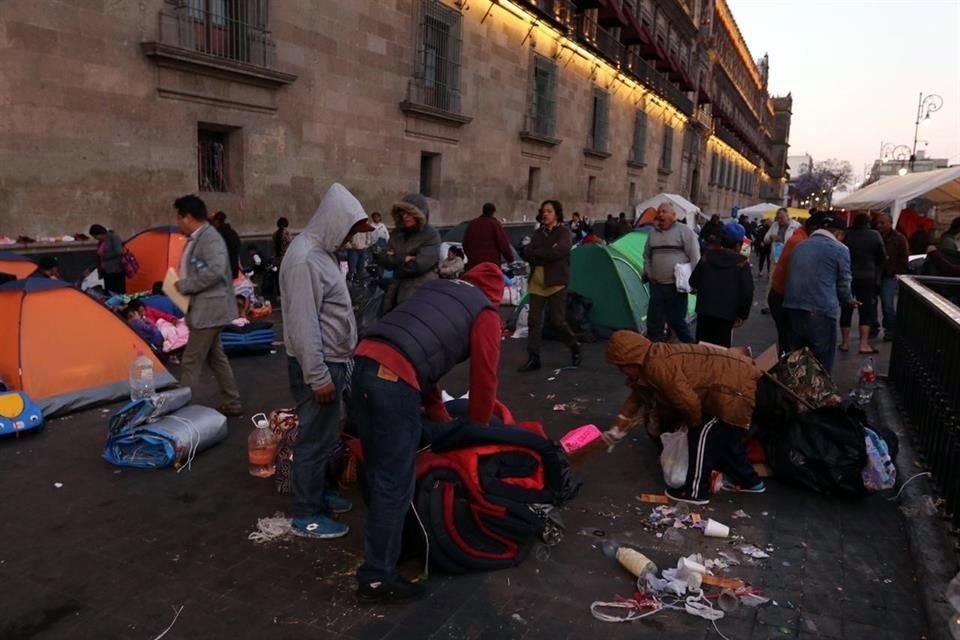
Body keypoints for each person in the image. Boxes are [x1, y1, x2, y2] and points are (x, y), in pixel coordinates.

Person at [351, 262, 506, 603]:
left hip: (362, 362)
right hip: (394, 378)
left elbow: (424, 360)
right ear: (495, 295)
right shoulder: (485, 313)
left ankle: (394, 546)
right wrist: (476, 432)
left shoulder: (438, 289)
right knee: (395, 482)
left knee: (378, 470)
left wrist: (439, 415)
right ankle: (377, 577)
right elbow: (484, 380)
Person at [280, 183, 373, 540]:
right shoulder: (304, 259)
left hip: (332, 359)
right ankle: (307, 514)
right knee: (314, 439)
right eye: (350, 230)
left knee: (324, 436)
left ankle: (319, 495)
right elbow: (304, 324)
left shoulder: (323, 253)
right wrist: (318, 376)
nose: (351, 238)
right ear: (335, 222)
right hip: (319, 364)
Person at [602, 331, 765, 505]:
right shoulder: (650, 360)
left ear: (632, 360)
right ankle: (751, 482)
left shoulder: (658, 366)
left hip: (732, 390)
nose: (621, 372)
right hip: (734, 382)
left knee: (702, 435)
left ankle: (695, 492)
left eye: (621, 366)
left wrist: (692, 424)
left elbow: (687, 401)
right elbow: (637, 396)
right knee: (727, 439)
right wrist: (618, 426)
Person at [173, 195, 243, 416]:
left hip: (209, 308)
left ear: (187, 217)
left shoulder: (209, 238)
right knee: (215, 356)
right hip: (204, 307)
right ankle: (232, 401)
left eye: (179, 217)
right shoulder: (198, 237)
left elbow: (214, 270)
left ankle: (181, 408)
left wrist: (186, 285)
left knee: (191, 359)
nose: (177, 222)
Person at [783, 214, 855, 373]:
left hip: (792, 307)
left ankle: (795, 393)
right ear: (839, 234)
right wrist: (849, 300)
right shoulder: (840, 249)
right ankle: (818, 395)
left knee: (796, 359)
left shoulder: (800, 246)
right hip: (820, 309)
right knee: (821, 361)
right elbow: (844, 282)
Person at [519, 199, 580, 372]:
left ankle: (574, 345)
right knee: (534, 321)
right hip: (537, 282)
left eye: (549, 211)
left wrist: (540, 254)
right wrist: (542, 254)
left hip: (555, 282)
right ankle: (533, 357)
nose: (545, 214)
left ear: (557, 214)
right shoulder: (539, 234)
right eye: (543, 211)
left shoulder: (564, 232)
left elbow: (559, 251)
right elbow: (528, 252)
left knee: (557, 321)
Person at [643, 202, 700, 343]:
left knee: (677, 322)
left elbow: (695, 257)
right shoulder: (652, 234)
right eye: (659, 211)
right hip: (657, 286)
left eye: (664, 212)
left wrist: (696, 282)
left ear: (673, 216)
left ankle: (690, 349)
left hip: (676, 287)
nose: (660, 214)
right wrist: (649, 273)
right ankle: (655, 351)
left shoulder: (685, 231)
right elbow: (646, 256)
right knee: (654, 321)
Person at [690, 223, 753, 348]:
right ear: (738, 245)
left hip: (705, 311)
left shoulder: (707, 256)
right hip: (727, 315)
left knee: (701, 349)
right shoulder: (742, 263)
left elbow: (693, 281)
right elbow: (747, 292)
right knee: (721, 351)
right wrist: (742, 314)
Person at [375, 193, 441, 313]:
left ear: (419, 214)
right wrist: (404, 258)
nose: (405, 216)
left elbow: (418, 265)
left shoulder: (431, 235)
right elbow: (382, 257)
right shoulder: (397, 233)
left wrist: (393, 264)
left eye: (409, 213)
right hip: (391, 295)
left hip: (418, 295)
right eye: (402, 212)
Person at [768, 214, 819, 355]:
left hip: (781, 294)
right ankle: (786, 371)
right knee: (790, 340)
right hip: (784, 296)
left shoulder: (799, 238)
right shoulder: (800, 242)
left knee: (787, 338)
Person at [839, 214, 885, 354]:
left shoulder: (847, 235)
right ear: (868, 223)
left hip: (849, 275)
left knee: (846, 308)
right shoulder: (875, 235)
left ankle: (845, 343)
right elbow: (882, 256)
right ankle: (864, 344)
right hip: (867, 277)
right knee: (866, 310)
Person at [875, 213, 909, 342]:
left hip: (889, 275)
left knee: (887, 304)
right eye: (878, 222)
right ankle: (874, 327)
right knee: (872, 303)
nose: (880, 225)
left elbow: (903, 258)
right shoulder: (875, 236)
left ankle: (890, 329)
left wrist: (896, 271)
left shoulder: (899, 238)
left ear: (890, 223)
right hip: (876, 274)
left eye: (883, 223)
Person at [462, 202, 513, 269]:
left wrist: (470, 256)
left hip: (474, 263)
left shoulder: (473, 224)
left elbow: (465, 243)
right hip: (491, 263)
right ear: (493, 212)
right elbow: (503, 243)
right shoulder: (495, 224)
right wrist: (510, 259)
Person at [89, 224, 125, 294]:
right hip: (106, 270)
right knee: (109, 290)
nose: (95, 238)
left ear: (100, 234)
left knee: (116, 290)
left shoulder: (113, 237)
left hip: (115, 270)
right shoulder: (102, 241)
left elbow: (119, 251)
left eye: (95, 236)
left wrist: (104, 256)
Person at [212, 211, 242, 280]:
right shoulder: (232, 232)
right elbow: (238, 246)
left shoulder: (218, 234)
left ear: (216, 221)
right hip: (233, 267)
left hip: (222, 268)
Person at [346, 216, 372, 281]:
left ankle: (359, 279)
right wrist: (350, 246)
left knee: (361, 266)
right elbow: (346, 237)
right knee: (352, 267)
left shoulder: (365, 225)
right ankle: (351, 279)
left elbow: (368, 235)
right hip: (353, 250)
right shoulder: (350, 225)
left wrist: (367, 244)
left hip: (363, 248)